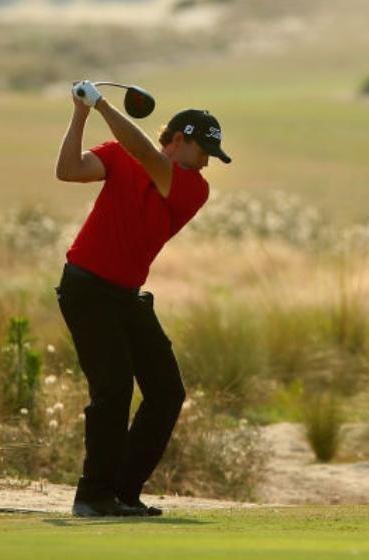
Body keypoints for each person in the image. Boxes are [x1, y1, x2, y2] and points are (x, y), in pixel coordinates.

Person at [53, 80, 231, 517]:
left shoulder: (192, 187)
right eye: (204, 151)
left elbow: (147, 156)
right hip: (87, 287)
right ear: (181, 139)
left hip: (126, 295)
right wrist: (80, 112)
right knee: (113, 389)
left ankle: (124, 491)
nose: (207, 163)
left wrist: (101, 104)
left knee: (166, 392)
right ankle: (94, 495)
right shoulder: (119, 154)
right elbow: (69, 170)